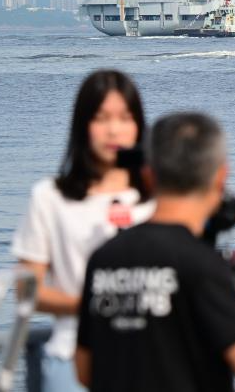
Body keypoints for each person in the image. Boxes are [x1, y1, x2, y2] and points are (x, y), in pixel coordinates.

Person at [75, 112, 235, 391]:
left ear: (148, 175)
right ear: (221, 176)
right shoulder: (204, 265)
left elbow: (84, 370)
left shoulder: (104, 258)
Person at [11, 70, 154, 392]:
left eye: (125, 118)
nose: (114, 129)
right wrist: (89, 307)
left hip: (150, 361)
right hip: (71, 357)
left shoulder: (158, 200)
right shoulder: (50, 197)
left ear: (139, 125)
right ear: (82, 125)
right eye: (101, 118)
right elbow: (27, 290)